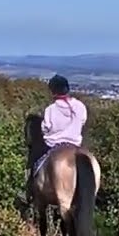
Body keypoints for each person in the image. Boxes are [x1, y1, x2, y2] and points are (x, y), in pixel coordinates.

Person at [18, 74, 87, 206]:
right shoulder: (80, 106)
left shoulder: (51, 109)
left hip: (54, 145)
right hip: (76, 143)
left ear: (53, 91)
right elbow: (82, 121)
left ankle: (29, 192)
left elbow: (46, 128)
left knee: (34, 163)